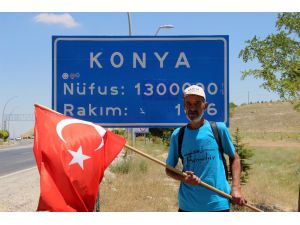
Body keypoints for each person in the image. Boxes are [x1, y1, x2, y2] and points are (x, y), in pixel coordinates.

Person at [165, 85, 247, 212]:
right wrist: (184, 178)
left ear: (205, 106)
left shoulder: (218, 129)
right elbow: (169, 169)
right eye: (188, 103)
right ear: (184, 107)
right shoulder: (178, 135)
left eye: (197, 103)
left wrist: (236, 188)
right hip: (188, 206)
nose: (192, 108)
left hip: (218, 204)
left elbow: (234, 157)